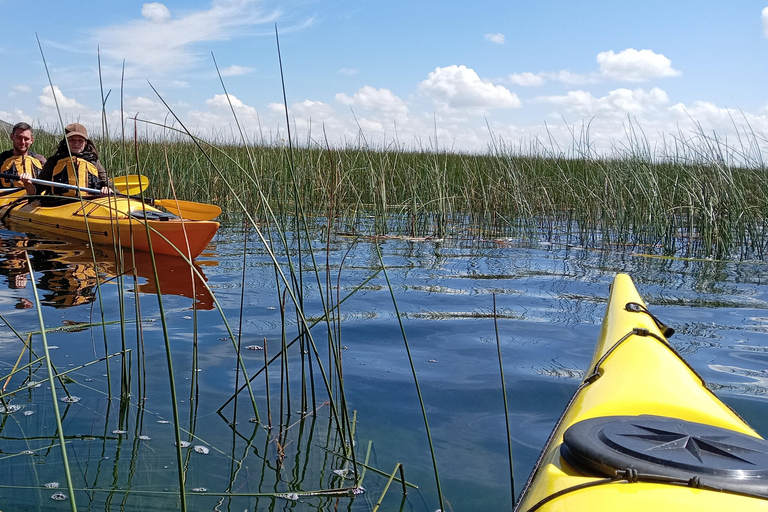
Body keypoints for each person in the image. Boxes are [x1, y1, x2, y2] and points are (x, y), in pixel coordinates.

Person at [36, 123, 112, 196]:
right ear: (66, 141)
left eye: (80, 140)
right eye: (71, 140)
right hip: (59, 203)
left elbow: (106, 183)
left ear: (85, 143)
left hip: (88, 203)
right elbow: (37, 188)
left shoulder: (93, 161)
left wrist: (107, 189)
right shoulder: (54, 161)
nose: (76, 143)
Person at [0, 122, 46, 194]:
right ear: (12, 137)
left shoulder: (40, 160)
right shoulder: (2, 160)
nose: (22, 142)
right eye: (19, 137)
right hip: (8, 199)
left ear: (32, 140)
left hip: (36, 200)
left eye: (26, 139)